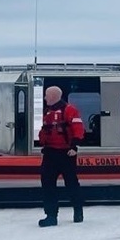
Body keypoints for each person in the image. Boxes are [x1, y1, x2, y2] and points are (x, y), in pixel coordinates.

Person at [37, 85, 85, 227]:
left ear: (53, 96)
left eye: (46, 95)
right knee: (47, 184)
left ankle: (78, 211)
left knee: (71, 183)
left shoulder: (69, 110)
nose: (45, 98)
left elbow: (78, 128)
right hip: (50, 152)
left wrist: (74, 146)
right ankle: (51, 215)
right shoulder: (47, 112)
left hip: (66, 153)